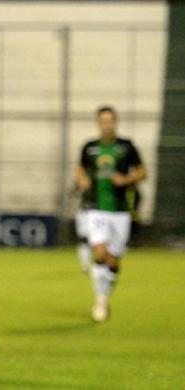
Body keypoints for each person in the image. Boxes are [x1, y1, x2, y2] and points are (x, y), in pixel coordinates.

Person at [75, 105, 146, 322]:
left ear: (115, 122)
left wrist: (125, 180)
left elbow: (143, 171)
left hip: (121, 210)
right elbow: (80, 168)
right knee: (100, 253)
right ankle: (100, 300)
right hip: (97, 208)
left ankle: (106, 295)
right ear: (99, 123)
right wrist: (82, 179)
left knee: (113, 261)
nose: (107, 124)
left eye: (110, 120)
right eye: (103, 121)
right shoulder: (90, 147)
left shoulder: (127, 147)